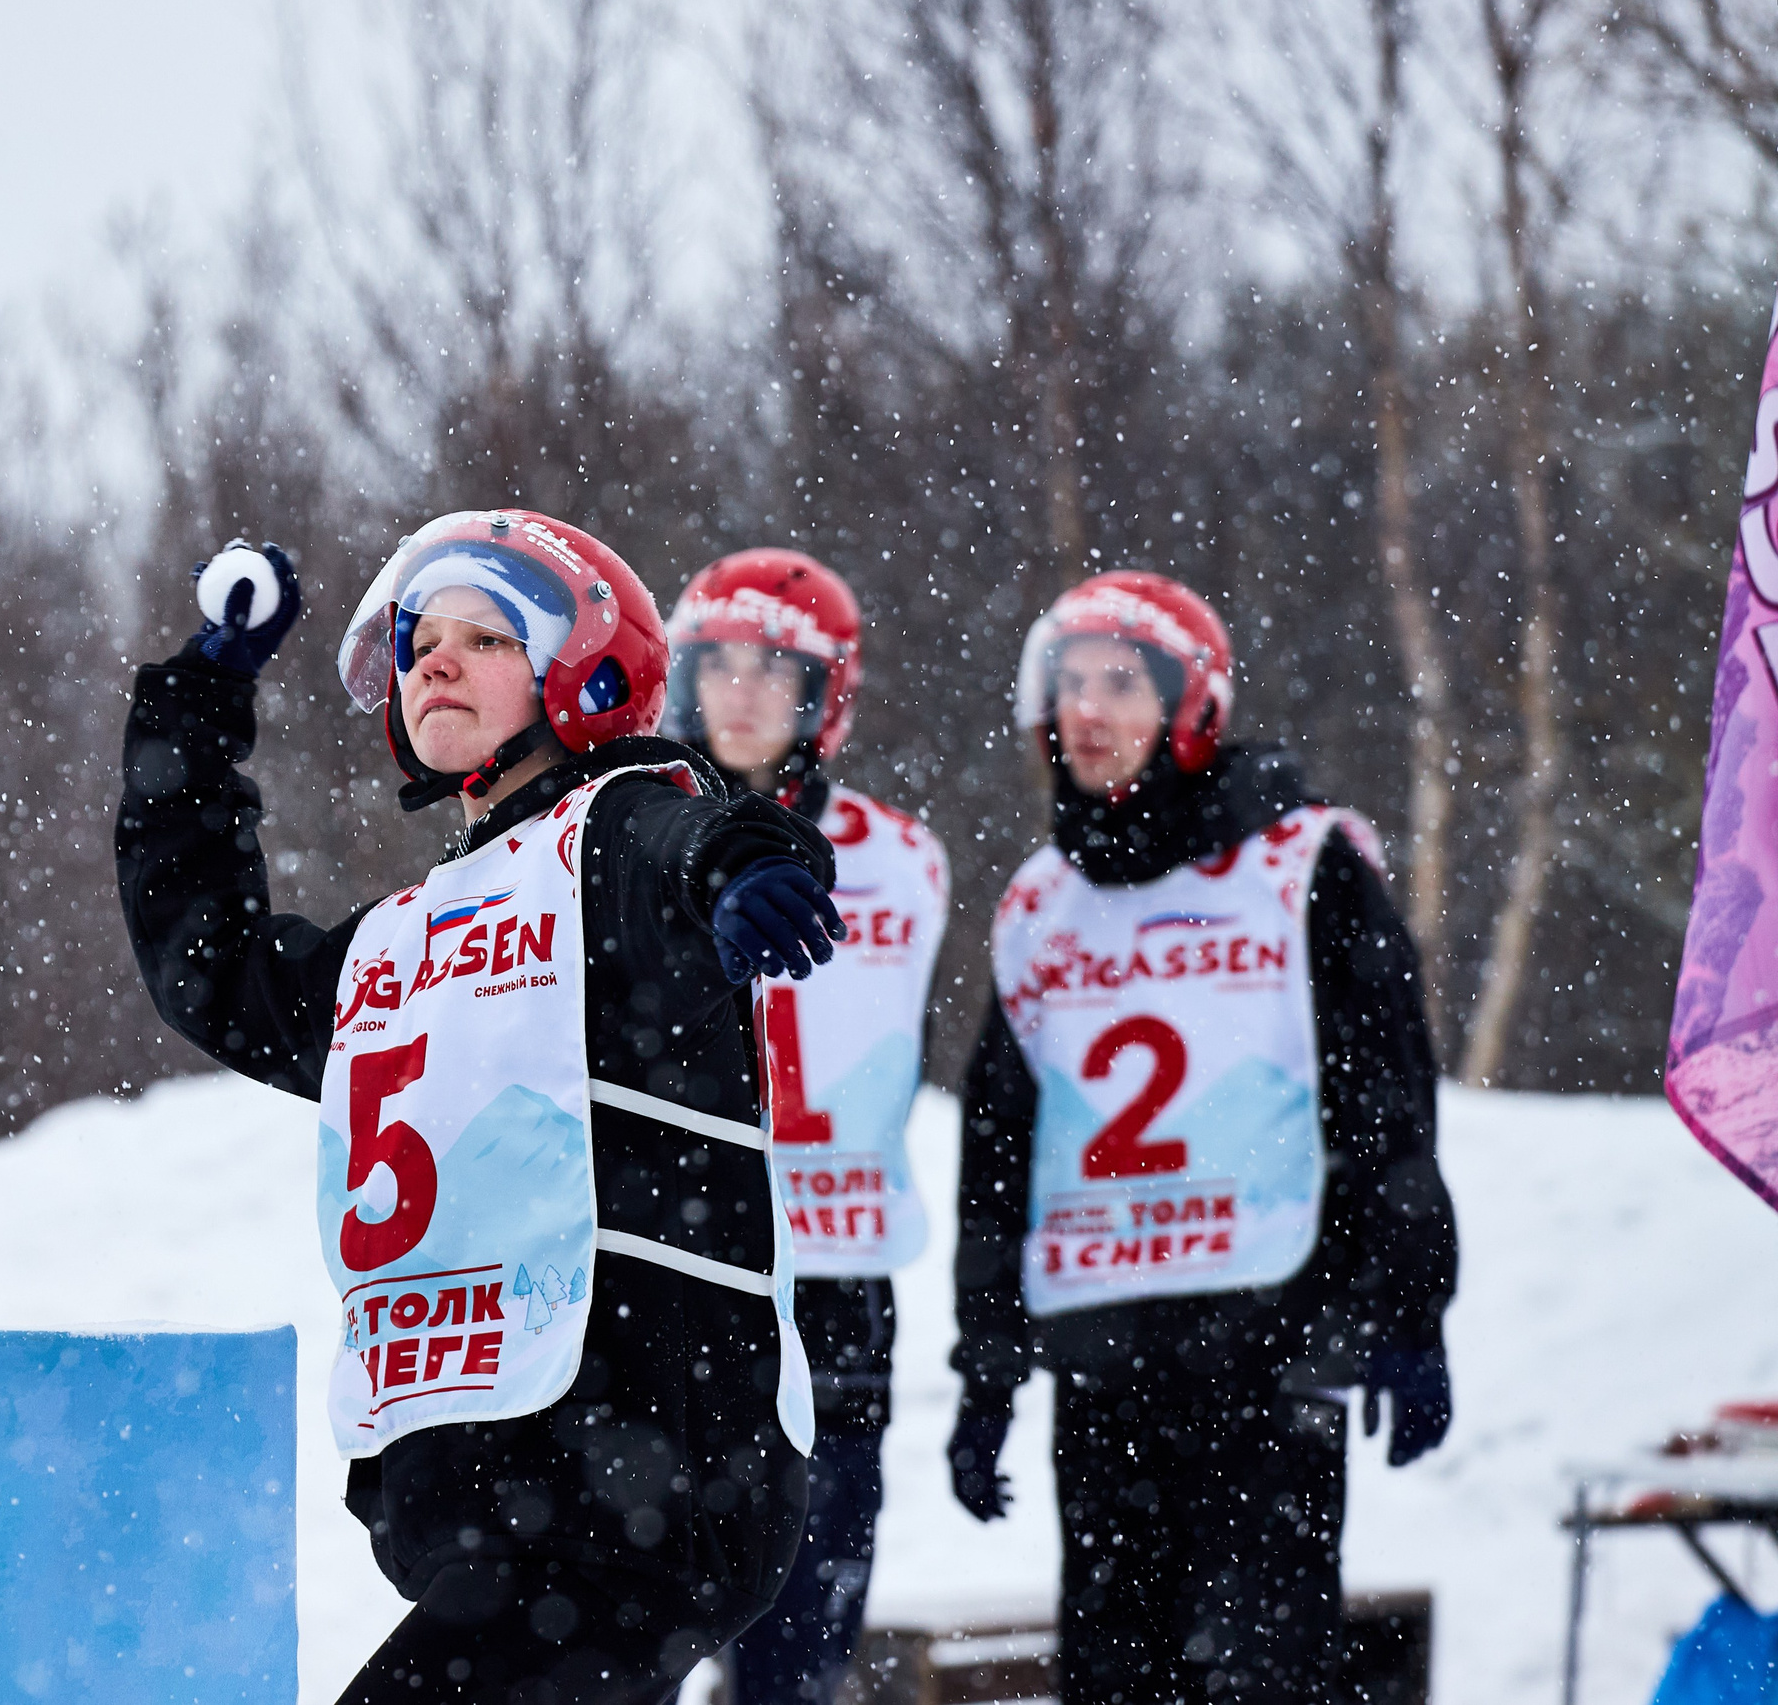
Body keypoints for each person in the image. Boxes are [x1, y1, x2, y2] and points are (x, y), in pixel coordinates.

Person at [118, 511, 852, 1704]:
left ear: (583, 673)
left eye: (486, 636)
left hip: (639, 1494)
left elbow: (699, 828)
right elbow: (208, 963)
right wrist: (196, 709)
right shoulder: (399, 940)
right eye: (418, 641)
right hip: (500, 1516)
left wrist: (753, 866)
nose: (434, 661)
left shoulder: (610, 829)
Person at [946, 570, 1458, 1705]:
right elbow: (996, 1155)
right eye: (1068, 683)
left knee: (1258, 1676)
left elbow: (1388, 1108)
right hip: (1103, 1360)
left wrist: (1410, 1310)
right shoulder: (1039, 903)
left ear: (1193, 707)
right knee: (1115, 1678)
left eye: (1120, 683)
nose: (1086, 709)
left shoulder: (1300, 865)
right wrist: (986, 1375)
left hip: (1269, 1343)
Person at [662, 550, 948, 1705]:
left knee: (805, 1631)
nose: (739, 690)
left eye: (772, 667)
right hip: (672, 1266)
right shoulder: (631, 831)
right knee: (644, 1613)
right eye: (716, 662)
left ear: (826, 692)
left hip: (831, 1274)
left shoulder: (904, 859)